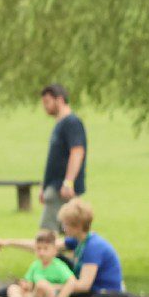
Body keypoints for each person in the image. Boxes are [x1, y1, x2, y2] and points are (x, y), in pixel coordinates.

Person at [52, 199, 127, 297]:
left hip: (105, 296)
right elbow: (48, 246)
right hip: (94, 292)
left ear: (78, 226)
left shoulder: (93, 247)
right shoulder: (79, 240)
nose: (63, 228)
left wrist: (54, 287)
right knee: (57, 258)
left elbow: (84, 286)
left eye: (66, 225)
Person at [39, 84, 87, 233]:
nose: (45, 107)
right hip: (54, 186)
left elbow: (77, 151)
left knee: (47, 235)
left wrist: (68, 182)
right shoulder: (60, 125)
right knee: (67, 235)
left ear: (59, 100)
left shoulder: (71, 123)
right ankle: (70, 257)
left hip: (61, 189)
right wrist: (44, 185)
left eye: (47, 102)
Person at [0, 228, 76, 297]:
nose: (41, 252)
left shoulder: (59, 266)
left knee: (42, 285)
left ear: (54, 251)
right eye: (38, 248)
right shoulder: (35, 265)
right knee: (13, 288)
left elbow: (71, 281)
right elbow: (29, 285)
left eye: (45, 249)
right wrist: (25, 285)